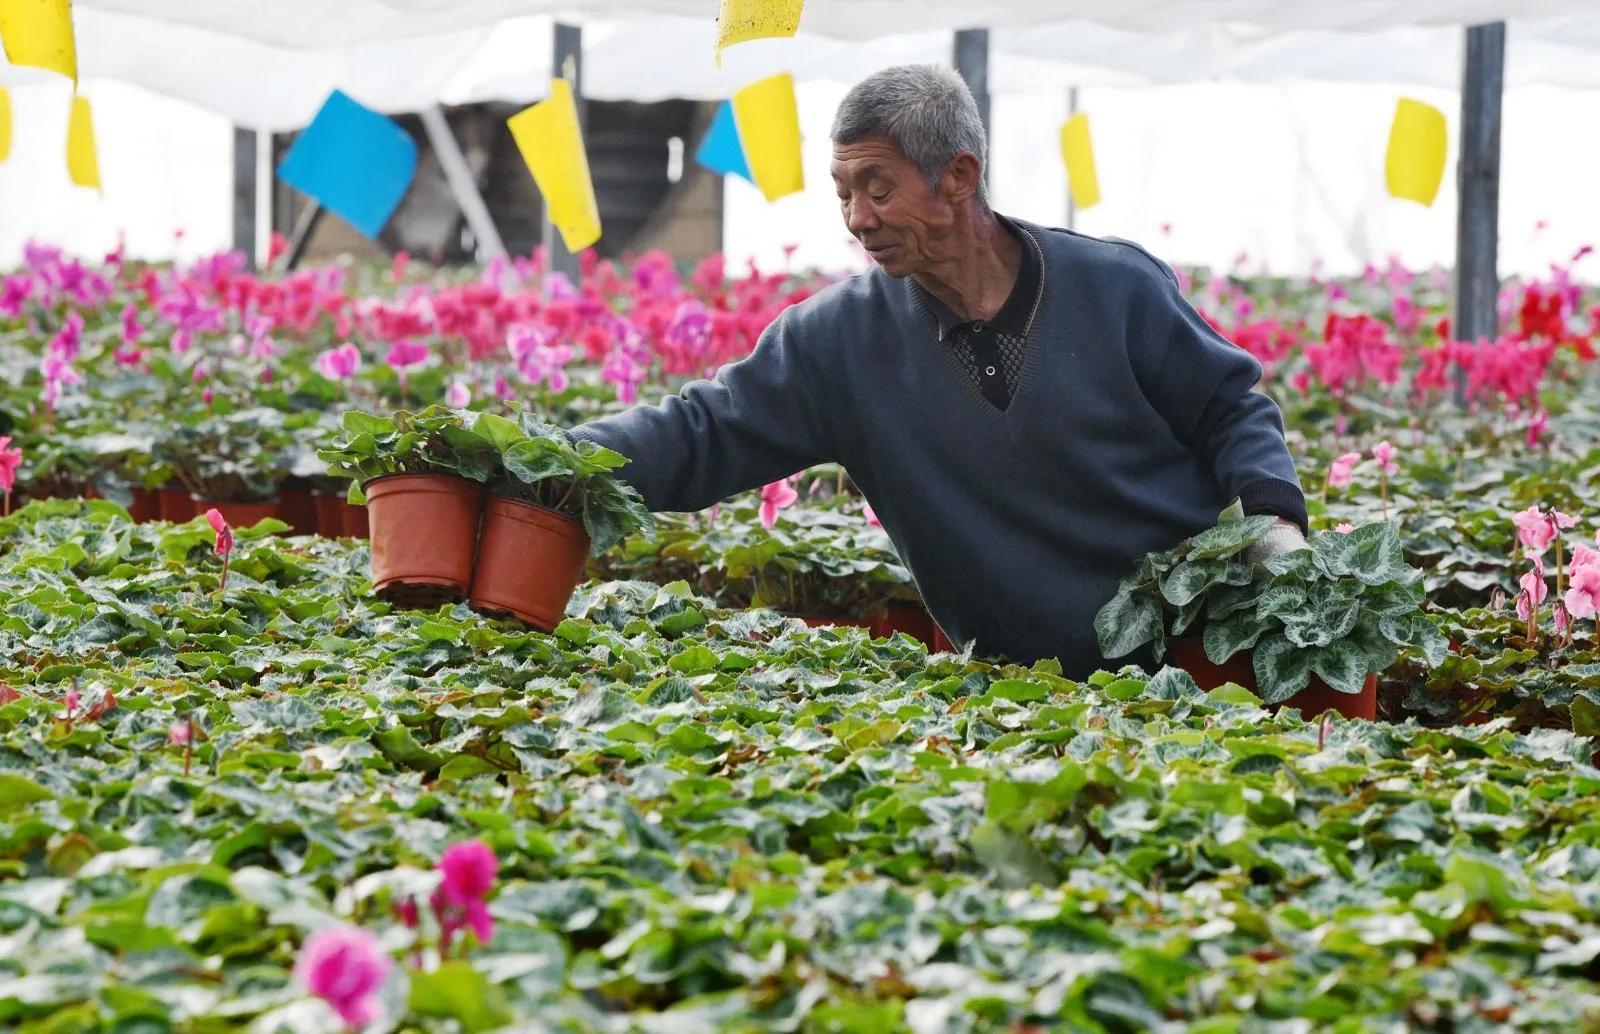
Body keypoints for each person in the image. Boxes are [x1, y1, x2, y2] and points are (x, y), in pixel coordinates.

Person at [573, 63, 1307, 675]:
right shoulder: (838, 345)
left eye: (879, 188)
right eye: (843, 193)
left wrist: (1273, 520)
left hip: (1206, 671)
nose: (858, 218)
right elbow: (702, 432)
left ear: (959, 177)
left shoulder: (1114, 288)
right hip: (1025, 697)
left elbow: (1230, 407)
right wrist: (551, 461)